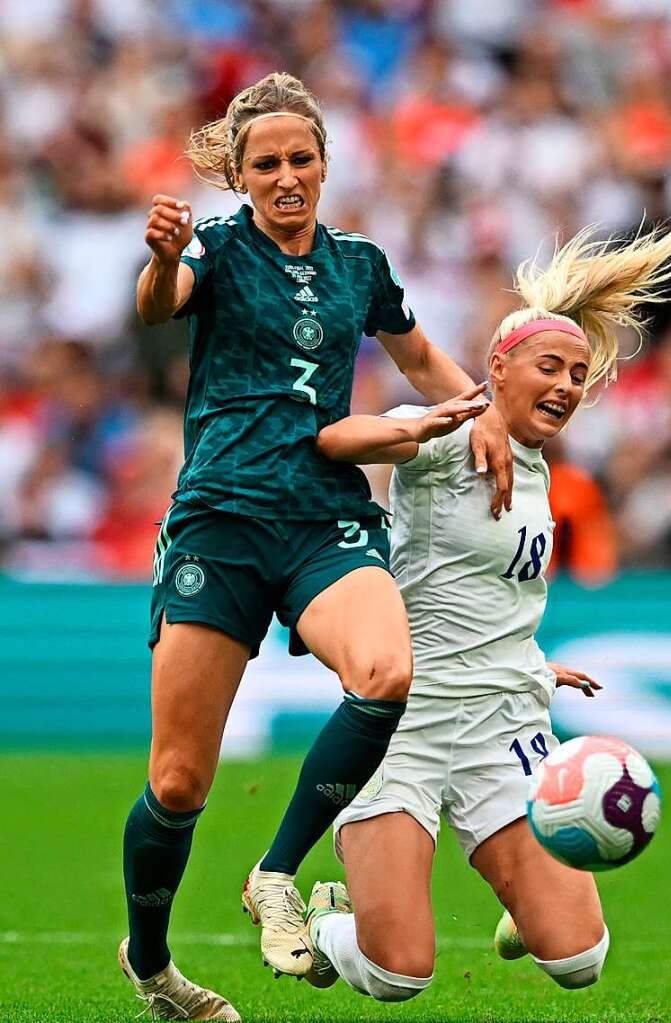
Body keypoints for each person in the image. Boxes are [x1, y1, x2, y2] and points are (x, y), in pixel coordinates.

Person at [118, 72, 511, 1021]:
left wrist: (484, 414)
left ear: (326, 164)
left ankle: (275, 873)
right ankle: (154, 965)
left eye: (301, 159)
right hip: (220, 517)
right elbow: (158, 303)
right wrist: (163, 257)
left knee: (384, 672)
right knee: (177, 779)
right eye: (267, 164)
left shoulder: (359, 262)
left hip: (326, 516)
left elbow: (416, 357)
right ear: (242, 175)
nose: (286, 176)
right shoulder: (212, 246)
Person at [300, 217, 671, 1003]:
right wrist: (434, 417)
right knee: (395, 975)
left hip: (503, 721)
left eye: (576, 374)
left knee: (580, 961)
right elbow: (332, 439)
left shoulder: (540, 467)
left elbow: (493, 589)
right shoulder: (454, 435)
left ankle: (525, 890)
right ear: (496, 367)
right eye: (547, 367)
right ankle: (325, 921)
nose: (563, 385)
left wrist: (530, 661)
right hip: (406, 721)